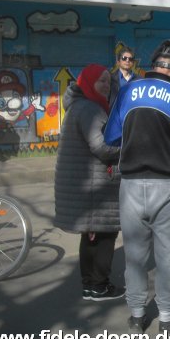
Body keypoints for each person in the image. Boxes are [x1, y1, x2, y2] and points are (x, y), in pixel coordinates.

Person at [104, 40, 170, 334]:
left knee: (134, 257)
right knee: (167, 258)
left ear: (154, 66)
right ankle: (166, 319)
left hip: (132, 186)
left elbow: (110, 136)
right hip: (167, 186)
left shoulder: (127, 90)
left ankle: (137, 316)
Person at [54, 64, 123, 302]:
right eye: (100, 81)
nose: (105, 85)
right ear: (88, 82)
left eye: (107, 81)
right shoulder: (90, 109)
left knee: (92, 236)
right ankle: (99, 286)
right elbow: (102, 146)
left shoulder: (81, 105)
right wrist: (128, 148)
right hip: (95, 187)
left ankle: (90, 286)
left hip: (89, 185)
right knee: (104, 235)